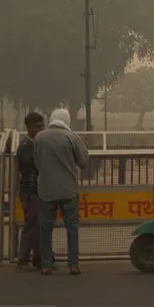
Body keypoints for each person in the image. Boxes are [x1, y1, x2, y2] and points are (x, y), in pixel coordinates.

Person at [33, 108, 90, 276]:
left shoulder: (39, 137)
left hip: (46, 190)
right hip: (68, 190)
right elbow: (84, 162)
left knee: (46, 228)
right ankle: (73, 264)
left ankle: (46, 265)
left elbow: (37, 163)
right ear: (67, 120)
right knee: (72, 228)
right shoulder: (72, 137)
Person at [14, 111, 44, 270]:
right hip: (29, 190)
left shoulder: (36, 144)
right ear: (29, 127)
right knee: (31, 224)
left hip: (37, 190)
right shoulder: (26, 146)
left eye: (42, 126)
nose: (41, 129)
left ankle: (39, 258)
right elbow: (31, 163)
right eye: (38, 126)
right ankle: (23, 258)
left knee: (38, 225)